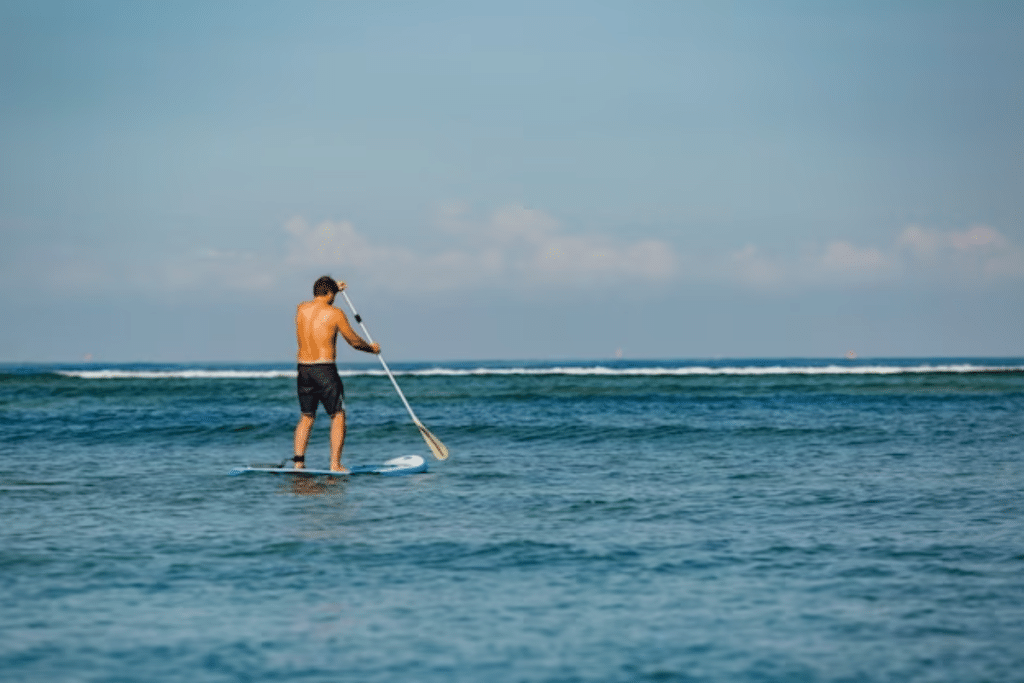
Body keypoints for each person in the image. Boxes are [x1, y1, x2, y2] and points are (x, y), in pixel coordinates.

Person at [293, 276, 380, 472]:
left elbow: (320, 302)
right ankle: (335, 464)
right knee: (338, 415)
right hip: (324, 369)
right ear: (330, 294)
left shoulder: (301, 309)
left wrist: (334, 290)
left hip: (303, 368)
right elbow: (354, 342)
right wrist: (371, 349)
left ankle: (298, 463)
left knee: (307, 416)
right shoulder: (335, 313)